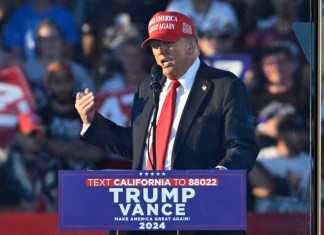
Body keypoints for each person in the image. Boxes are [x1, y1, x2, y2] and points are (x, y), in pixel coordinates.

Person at [75, 11, 259, 235]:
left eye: (168, 43)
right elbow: (141, 149)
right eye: (155, 45)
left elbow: (243, 147)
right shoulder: (147, 87)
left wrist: (216, 179)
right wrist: (94, 123)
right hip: (146, 212)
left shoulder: (224, 85)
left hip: (198, 213)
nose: (160, 51)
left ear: (191, 44)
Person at [39, 60, 103, 171]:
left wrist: (59, 147)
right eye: (57, 83)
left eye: (66, 81)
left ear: (73, 82)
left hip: (86, 179)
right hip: (54, 182)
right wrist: (78, 147)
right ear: (48, 85)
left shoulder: (86, 110)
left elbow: (97, 153)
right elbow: (39, 146)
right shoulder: (41, 115)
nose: (63, 87)